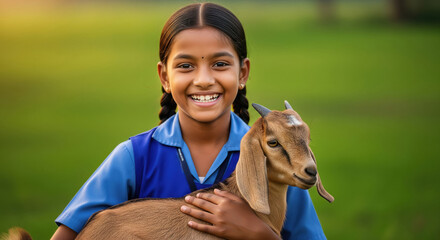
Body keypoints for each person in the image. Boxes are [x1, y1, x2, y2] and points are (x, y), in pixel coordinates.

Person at [51, 3, 327, 240]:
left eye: (220, 64)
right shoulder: (134, 157)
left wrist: (260, 234)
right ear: (164, 77)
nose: (204, 79)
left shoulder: (278, 161)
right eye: (185, 65)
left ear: (243, 73)